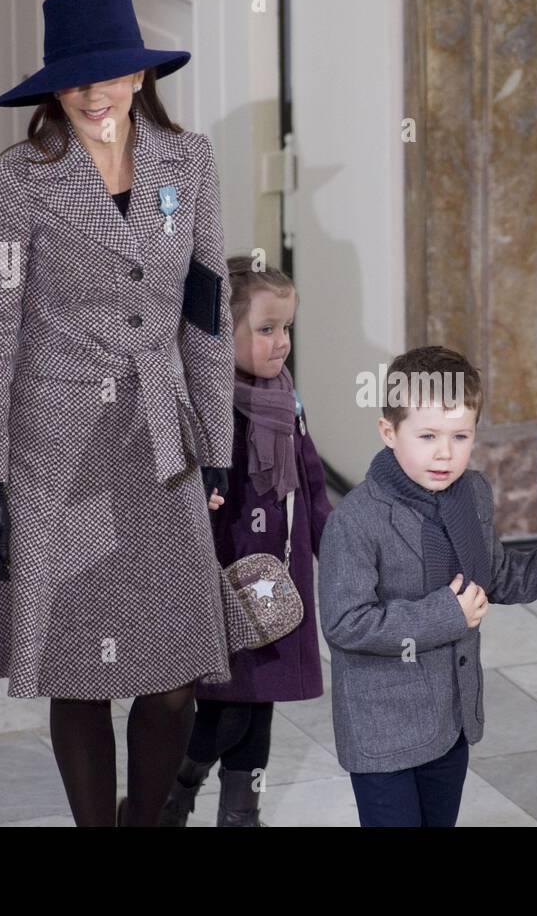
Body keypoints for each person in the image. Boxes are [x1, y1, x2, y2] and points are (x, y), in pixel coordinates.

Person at [0, 0, 236, 827]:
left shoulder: (191, 162)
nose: (90, 89)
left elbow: (207, 313)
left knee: (176, 676)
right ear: (53, 86)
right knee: (77, 672)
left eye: (108, 71)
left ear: (141, 75)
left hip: (161, 443)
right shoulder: (17, 184)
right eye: (74, 76)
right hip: (56, 453)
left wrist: (217, 444)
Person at [319, 346, 537, 826]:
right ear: (389, 431)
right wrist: (445, 616)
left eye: (460, 436)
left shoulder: (471, 493)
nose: (444, 453)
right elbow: (346, 624)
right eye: (428, 435)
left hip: (450, 722)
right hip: (383, 734)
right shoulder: (356, 520)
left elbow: (494, 576)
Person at [160, 257, 332, 827]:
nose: (281, 343)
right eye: (265, 329)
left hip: (276, 580)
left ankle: (240, 815)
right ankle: (173, 792)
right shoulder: (207, 409)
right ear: (220, 335)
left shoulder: (284, 398)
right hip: (224, 579)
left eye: (287, 328)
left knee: (261, 704)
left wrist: (333, 546)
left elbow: (310, 479)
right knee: (227, 707)